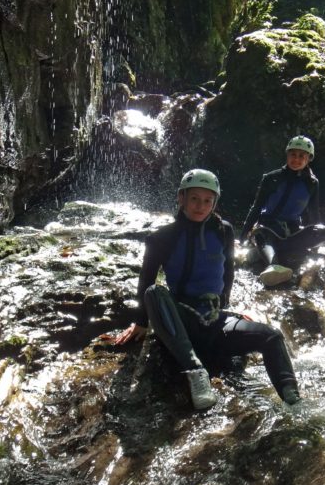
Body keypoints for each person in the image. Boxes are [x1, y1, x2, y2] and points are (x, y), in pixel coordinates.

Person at [112, 168, 302, 410]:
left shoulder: (224, 231)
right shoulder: (162, 237)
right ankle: (195, 371)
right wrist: (140, 322)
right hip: (180, 322)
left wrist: (228, 310)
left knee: (272, 336)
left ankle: (293, 400)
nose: (200, 206)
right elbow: (146, 279)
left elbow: (227, 273)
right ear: (181, 198)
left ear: (215, 202)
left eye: (207, 200)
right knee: (154, 292)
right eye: (194, 198)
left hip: (214, 321)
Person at [240, 135, 325, 287]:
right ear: (287, 155)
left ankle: (282, 249)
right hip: (267, 226)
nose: (296, 159)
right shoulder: (271, 178)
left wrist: (316, 238)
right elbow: (256, 207)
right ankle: (273, 265)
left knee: (323, 231)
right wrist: (244, 234)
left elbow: (314, 213)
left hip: (291, 231)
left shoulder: (312, 183)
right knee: (262, 234)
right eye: (293, 155)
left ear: (309, 158)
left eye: (301, 156)